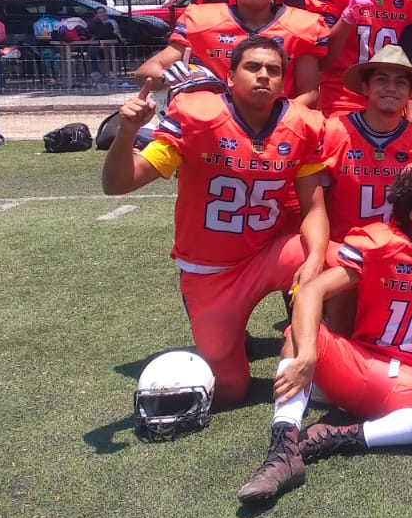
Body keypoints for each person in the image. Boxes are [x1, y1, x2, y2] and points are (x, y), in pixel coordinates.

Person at [236, 162, 412, 505]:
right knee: (297, 335)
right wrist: (309, 354)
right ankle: (283, 450)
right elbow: (311, 291)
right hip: (360, 365)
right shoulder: (381, 244)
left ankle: (339, 436)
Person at [102, 35, 330, 405]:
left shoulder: (302, 124)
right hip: (211, 271)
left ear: (282, 82)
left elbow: (314, 208)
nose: (263, 75)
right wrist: (127, 131)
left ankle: (321, 350)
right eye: (252, 67)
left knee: (342, 259)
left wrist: (316, 256)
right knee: (230, 389)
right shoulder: (198, 118)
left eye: (273, 70)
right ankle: (233, 346)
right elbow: (117, 184)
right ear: (230, 77)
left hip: (269, 254)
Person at [140, 0, 330, 105]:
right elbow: (146, 72)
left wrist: (273, 120)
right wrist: (174, 79)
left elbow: (309, 93)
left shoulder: (302, 26)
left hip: (277, 126)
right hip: (213, 123)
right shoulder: (200, 20)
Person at [320, 44, 412, 240]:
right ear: (365, 87)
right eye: (382, 80)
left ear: (410, 93)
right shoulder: (332, 133)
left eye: (400, 82)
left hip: (403, 251)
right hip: (342, 247)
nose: (391, 88)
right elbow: (314, 206)